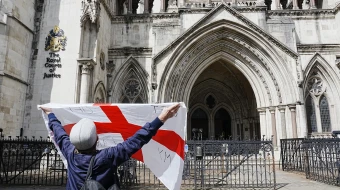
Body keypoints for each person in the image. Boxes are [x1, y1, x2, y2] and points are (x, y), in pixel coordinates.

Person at [40, 103, 181, 190]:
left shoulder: (69, 153)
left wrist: (50, 114)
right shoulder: (106, 157)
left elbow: (59, 133)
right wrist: (162, 117)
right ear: (97, 140)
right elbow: (136, 140)